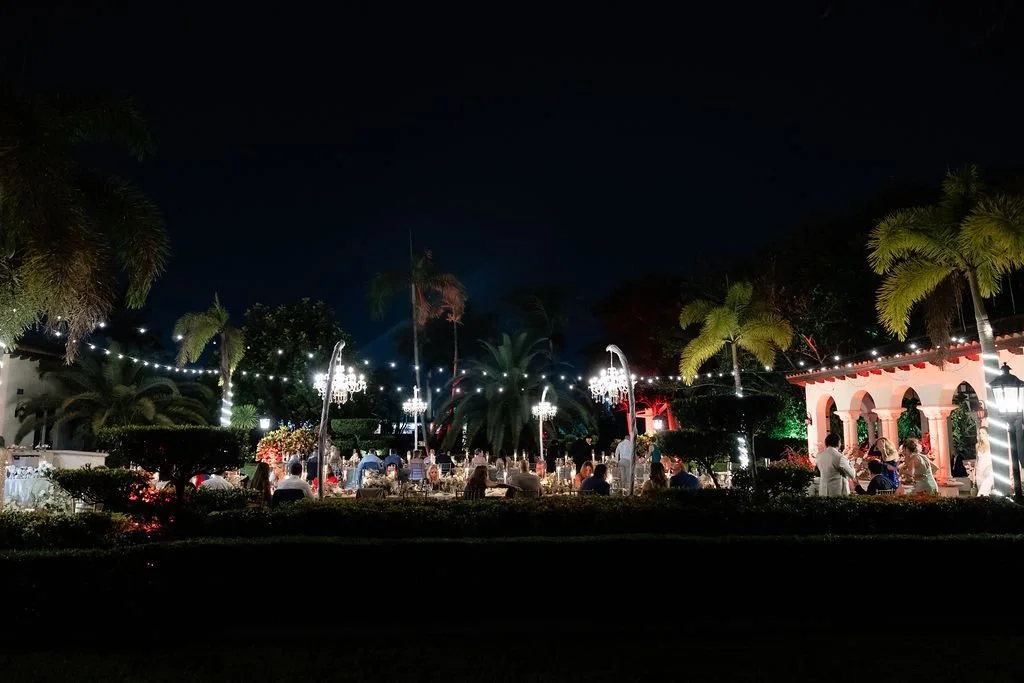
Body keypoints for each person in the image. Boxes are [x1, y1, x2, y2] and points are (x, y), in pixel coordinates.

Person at [975, 427, 994, 496]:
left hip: (989, 471)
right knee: (984, 494)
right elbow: (977, 460)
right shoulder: (977, 445)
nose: (981, 435)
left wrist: (990, 466)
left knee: (982, 492)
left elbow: (994, 459)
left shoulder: (992, 445)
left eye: (983, 433)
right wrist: (974, 472)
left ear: (987, 434)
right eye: (980, 433)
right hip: (979, 471)